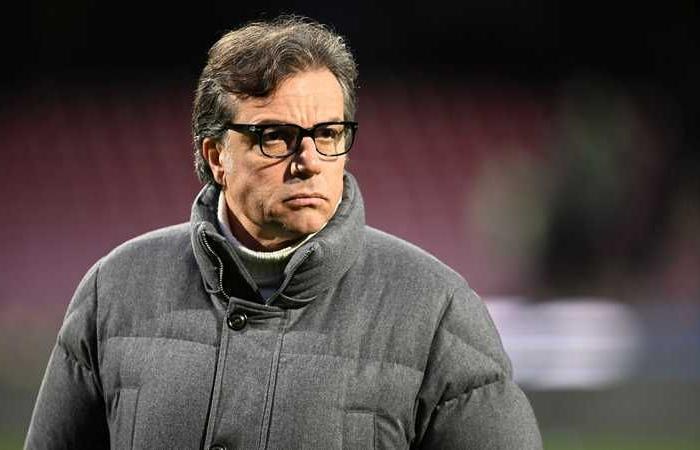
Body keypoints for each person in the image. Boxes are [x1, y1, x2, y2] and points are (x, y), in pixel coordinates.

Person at [25, 16, 542, 449]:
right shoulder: (114, 290)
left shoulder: (437, 308)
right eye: (276, 137)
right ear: (216, 157)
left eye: (329, 134)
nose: (309, 161)